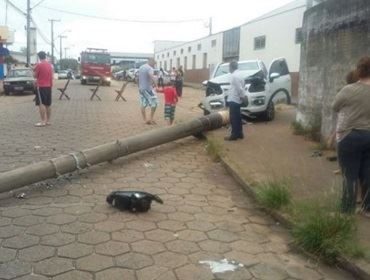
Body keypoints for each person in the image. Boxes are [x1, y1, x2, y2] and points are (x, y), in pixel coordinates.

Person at [332, 57, 370, 215]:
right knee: (368, 173)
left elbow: (335, 107)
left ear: (359, 70)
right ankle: (367, 209)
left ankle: (347, 211)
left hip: (350, 136)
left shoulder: (348, 89)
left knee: (350, 175)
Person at [224, 61, 247, 141]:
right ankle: (240, 133)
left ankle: (234, 134)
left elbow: (239, 88)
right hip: (237, 99)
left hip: (234, 99)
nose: (229, 69)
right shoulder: (240, 74)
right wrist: (242, 96)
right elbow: (242, 86)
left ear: (231, 67)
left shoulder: (234, 76)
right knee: (238, 117)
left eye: (229, 67)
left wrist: (242, 97)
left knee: (233, 118)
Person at [33, 51, 53, 127]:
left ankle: (42, 121)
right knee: (48, 104)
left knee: (41, 104)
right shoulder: (50, 65)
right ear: (45, 56)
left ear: (39, 57)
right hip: (49, 86)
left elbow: (35, 75)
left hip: (41, 87)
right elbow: (51, 76)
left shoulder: (39, 65)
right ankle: (47, 121)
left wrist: (34, 70)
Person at [138, 58, 158, 125]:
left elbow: (140, 78)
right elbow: (152, 76)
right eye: (154, 64)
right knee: (155, 102)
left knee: (143, 104)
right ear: (151, 62)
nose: (154, 65)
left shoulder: (141, 67)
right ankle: (151, 119)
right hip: (148, 89)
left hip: (141, 89)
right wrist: (156, 85)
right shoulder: (150, 68)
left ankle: (145, 120)